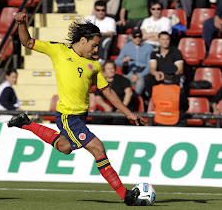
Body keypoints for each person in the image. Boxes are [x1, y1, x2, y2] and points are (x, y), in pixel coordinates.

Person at [10, 12, 146, 205]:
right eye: (94, 45)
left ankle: (26, 123)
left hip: (80, 117)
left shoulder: (94, 65)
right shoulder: (58, 50)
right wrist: (21, 23)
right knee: (98, 149)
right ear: (83, 40)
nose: (96, 49)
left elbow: (107, 91)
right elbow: (27, 42)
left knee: (65, 147)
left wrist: (129, 113)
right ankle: (126, 195)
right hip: (68, 115)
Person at [114, 27, 153, 96]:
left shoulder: (149, 47)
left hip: (142, 73)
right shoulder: (126, 47)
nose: (137, 38)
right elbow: (117, 62)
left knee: (140, 83)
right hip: (130, 73)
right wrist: (123, 61)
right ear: (131, 37)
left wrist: (139, 76)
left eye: (139, 36)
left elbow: (149, 66)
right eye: (135, 36)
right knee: (119, 82)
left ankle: (135, 101)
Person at [144, 31, 184, 98]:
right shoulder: (154, 52)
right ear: (159, 40)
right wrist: (156, 73)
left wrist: (167, 76)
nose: (165, 41)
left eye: (167, 39)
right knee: (148, 78)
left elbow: (180, 70)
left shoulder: (176, 52)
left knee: (177, 80)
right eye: (163, 39)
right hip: (159, 75)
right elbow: (152, 68)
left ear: (170, 40)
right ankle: (152, 99)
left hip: (172, 76)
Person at [94, 60, 133, 124]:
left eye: (112, 68)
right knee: (97, 119)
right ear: (104, 71)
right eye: (108, 69)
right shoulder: (101, 82)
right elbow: (97, 97)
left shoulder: (122, 79)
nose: (110, 70)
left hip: (123, 108)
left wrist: (122, 108)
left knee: (119, 120)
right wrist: (105, 106)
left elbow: (129, 93)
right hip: (107, 109)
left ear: (115, 69)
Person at [84, 0, 116, 65]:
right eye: (98, 10)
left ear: (106, 10)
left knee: (107, 39)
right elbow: (83, 31)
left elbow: (111, 34)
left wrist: (98, 34)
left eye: (103, 10)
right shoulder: (88, 19)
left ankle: (102, 60)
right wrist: (99, 34)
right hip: (90, 42)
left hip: (102, 43)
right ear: (95, 10)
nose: (100, 12)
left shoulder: (111, 20)